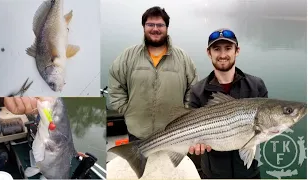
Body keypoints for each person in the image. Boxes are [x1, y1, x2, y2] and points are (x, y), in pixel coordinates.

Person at [108, 6, 198, 141]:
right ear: (143, 27)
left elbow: (193, 89)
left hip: (174, 134)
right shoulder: (128, 56)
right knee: (138, 162)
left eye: (160, 25)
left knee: (170, 163)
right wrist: (127, 110)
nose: (155, 29)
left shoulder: (183, 58)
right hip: (137, 132)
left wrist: (184, 114)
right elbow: (115, 82)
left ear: (167, 28)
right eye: (150, 24)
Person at [188, 28, 268, 179]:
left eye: (228, 48)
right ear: (208, 52)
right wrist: (195, 147)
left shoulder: (257, 86)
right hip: (212, 175)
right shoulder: (198, 91)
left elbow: (261, 134)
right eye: (217, 49)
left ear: (237, 51)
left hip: (249, 174)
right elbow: (189, 133)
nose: (223, 55)